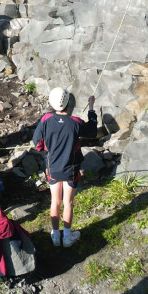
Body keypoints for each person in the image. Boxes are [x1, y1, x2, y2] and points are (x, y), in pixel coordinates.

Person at [32, 86, 98, 246]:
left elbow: (37, 143)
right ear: (68, 103)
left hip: (53, 168)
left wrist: (46, 147)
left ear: (51, 103)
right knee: (68, 203)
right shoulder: (75, 122)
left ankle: (55, 237)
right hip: (71, 169)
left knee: (55, 202)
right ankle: (67, 237)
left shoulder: (45, 119)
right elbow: (92, 131)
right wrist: (91, 108)